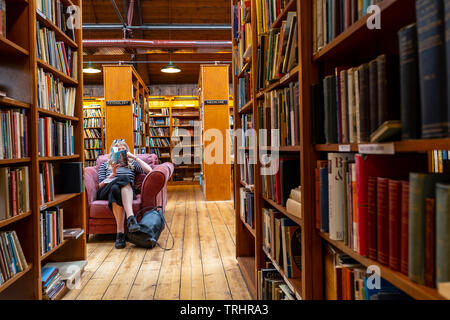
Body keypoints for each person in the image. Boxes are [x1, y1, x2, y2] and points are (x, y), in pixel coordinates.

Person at [97, 139, 152, 249]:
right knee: (122, 180)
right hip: (106, 190)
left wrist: (134, 157)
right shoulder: (105, 165)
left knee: (116, 188)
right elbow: (100, 185)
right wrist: (112, 175)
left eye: (123, 149)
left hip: (124, 191)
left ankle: (120, 234)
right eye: (118, 148)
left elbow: (150, 171)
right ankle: (131, 218)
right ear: (112, 151)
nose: (121, 150)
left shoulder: (132, 164)